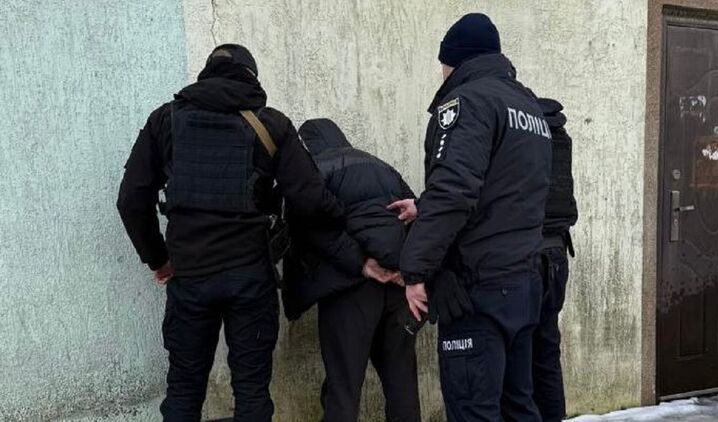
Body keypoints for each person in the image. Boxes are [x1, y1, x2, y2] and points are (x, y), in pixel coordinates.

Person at [116, 44, 380, 422]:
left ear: (207, 73)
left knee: (184, 392)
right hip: (249, 278)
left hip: (190, 276)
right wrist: (346, 218)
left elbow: (131, 199)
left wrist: (158, 259)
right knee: (252, 393)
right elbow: (310, 199)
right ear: (251, 77)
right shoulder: (269, 124)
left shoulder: (165, 121)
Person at [389, 13, 552, 421]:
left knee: (474, 411)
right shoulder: (529, 107)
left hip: (477, 289)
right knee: (519, 407)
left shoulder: (469, 101)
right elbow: (506, 189)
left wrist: (415, 271)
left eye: (443, 64)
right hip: (523, 281)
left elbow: (455, 189)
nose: (442, 73)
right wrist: (424, 206)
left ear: (456, 60)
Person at [283, 118, 421, 422]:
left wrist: (362, 264)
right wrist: (409, 271)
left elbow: (309, 230)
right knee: (402, 384)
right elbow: (416, 219)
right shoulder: (382, 167)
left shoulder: (314, 172)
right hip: (398, 288)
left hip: (351, 290)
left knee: (343, 388)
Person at [532, 98, 577, 422]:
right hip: (557, 253)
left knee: (519, 353)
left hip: (529, 254)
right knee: (547, 352)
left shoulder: (525, 134)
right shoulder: (560, 136)